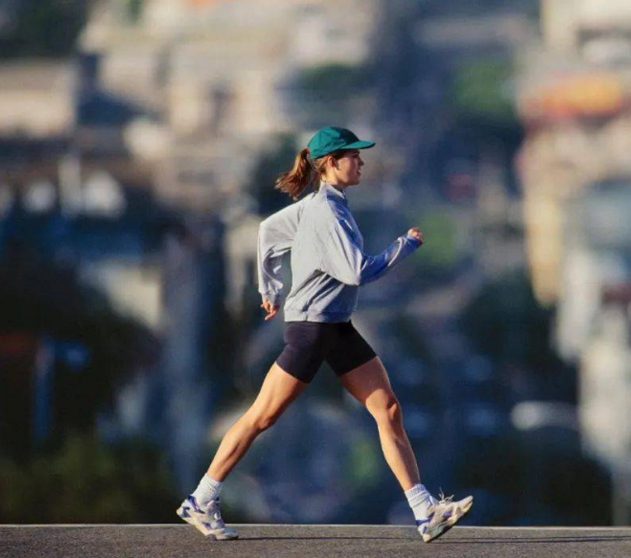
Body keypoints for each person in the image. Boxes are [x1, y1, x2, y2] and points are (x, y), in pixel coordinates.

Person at [176, 127, 473, 543]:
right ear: (331, 163)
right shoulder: (326, 213)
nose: (362, 163)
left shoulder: (321, 205)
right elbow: (356, 271)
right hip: (313, 330)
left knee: (387, 410)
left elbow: (266, 232)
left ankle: (425, 511)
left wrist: (270, 289)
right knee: (262, 416)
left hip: (336, 326)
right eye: (354, 156)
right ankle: (201, 499)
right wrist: (403, 246)